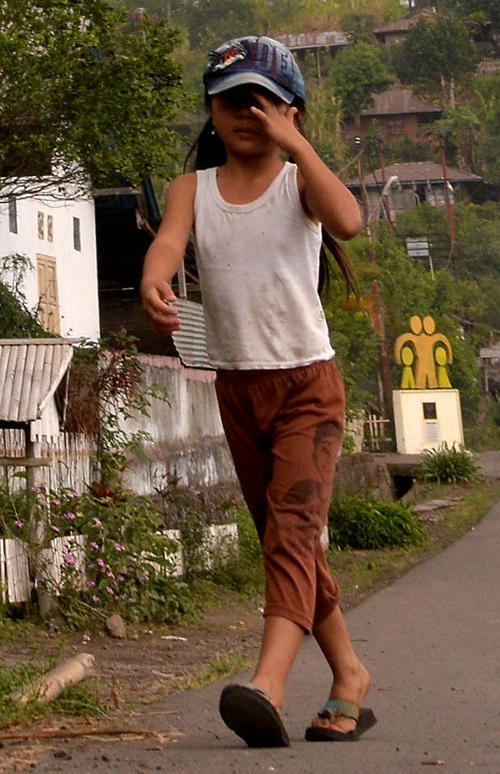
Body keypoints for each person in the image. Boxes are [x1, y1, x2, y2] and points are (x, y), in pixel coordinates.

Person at [142, 37, 374, 747]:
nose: (246, 113)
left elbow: (349, 222)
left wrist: (298, 148)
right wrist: (157, 276)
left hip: (307, 384)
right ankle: (350, 677)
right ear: (209, 112)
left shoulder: (298, 182)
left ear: (291, 112)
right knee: (288, 538)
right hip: (237, 388)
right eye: (229, 101)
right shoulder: (192, 190)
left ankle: (265, 682)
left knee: (292, 533)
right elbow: (169, 241)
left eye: (262, 101)